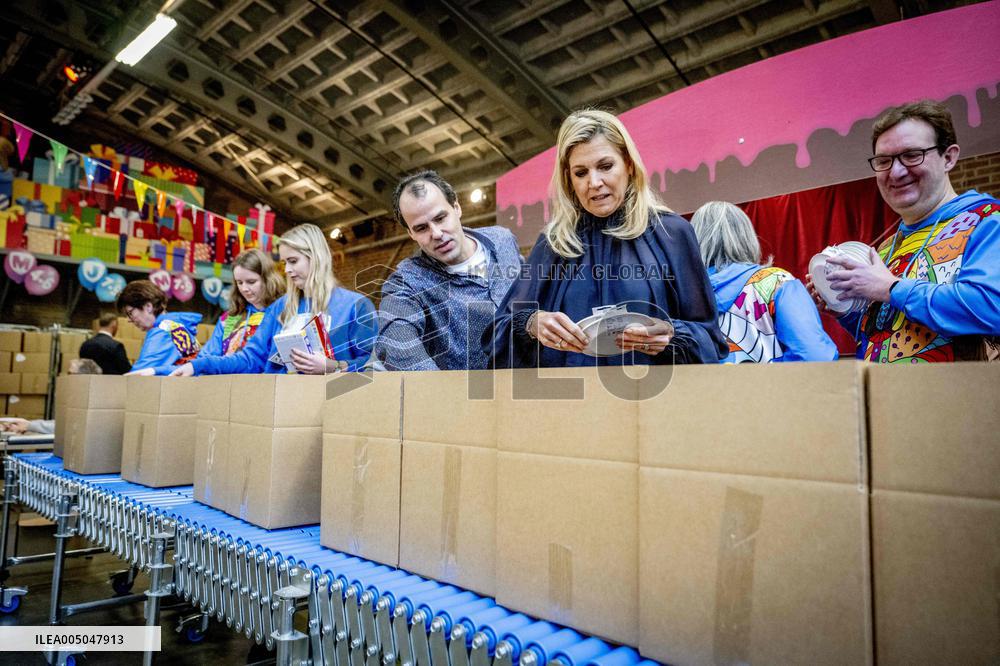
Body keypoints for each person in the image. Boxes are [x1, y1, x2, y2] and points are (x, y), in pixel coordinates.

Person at [489, 109, 727, 367]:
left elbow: (710, 340)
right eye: (581, 173)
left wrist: (672, 334)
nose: (594, 182)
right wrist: (532, 323)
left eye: (605, 166)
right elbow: (497, 333)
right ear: (569, 180)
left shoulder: (672, 234)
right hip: (571, 391)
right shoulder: (554, 244)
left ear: (628, 164)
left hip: (652, 391)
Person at [810, 100, 1000, 362]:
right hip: (887, 388)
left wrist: (890, 288)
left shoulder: (988, 220)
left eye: (911, 155)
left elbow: (991, 308)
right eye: (884, 161)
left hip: (962, 389)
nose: (896, 172)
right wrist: (842, 309)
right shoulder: (888, 247)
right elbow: (887, 333)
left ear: (948, 157)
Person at [174, 223, 376, 375]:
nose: (287, 270)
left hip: (328, 408)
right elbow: (250, 359)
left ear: (316, 257)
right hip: (277, 406)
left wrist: (333, 367)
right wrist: (198, 365)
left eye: (293, 261)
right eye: (285, 262)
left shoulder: (355, 307)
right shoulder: (279, 308)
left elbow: (373, 368)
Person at [375, 170, 523, 370]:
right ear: (410, 233)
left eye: (440, 218)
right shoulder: (407, 283)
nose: (436, 233)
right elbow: (396, 345)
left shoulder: (502, 240)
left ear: (456, 207)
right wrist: (443, 388)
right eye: (421, 228)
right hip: (472, 389)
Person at [691, 201, 837, 363]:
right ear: (746, 238)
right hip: (774, 380)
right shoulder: (776, 282)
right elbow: (814, 355)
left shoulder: (682, 296)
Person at [199, 249, 284, 357]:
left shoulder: (283, 314)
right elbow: (208, 354)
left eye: (251, 282)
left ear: (268, 279)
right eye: (239, 282)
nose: (244, 288)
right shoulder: (229, 318)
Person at [117, 280, 202, 374]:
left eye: (130, 313)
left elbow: (138, 375)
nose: (129, 319)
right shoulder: (176, 326)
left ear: (148, 306)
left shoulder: (162, 332)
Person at [0, 359, 102, 435]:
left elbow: (69, 427)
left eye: (70, 373)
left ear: (83, 377)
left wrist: (29, 425)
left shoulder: (92, 402)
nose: (66, 377)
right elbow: (60, 424)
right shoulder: (78, 397)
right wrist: (28, 424)